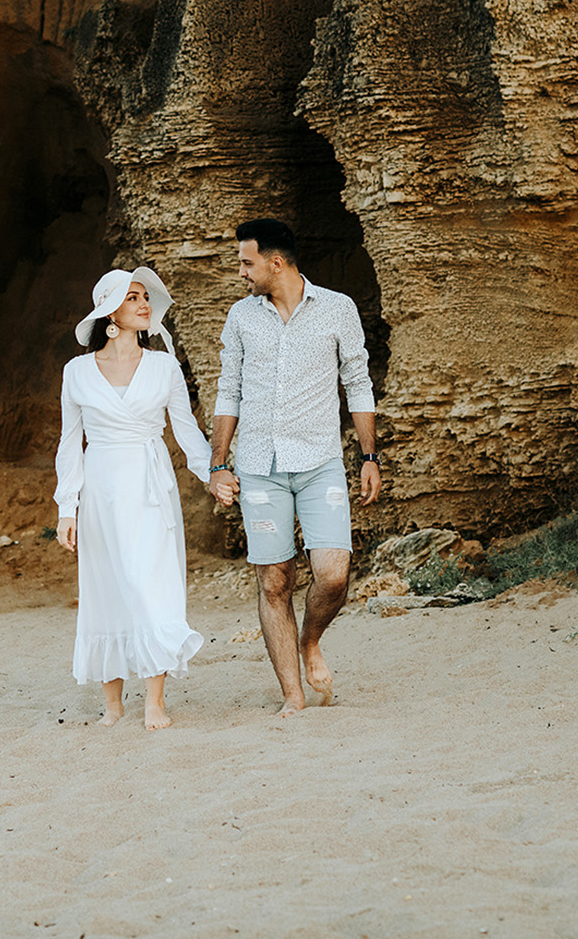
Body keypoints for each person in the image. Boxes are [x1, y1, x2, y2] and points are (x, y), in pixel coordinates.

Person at [207, 219, 380, 717]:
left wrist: (369, 457)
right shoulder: (241, 317)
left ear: (275, 263)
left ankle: (310, 641)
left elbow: (358, 382)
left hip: (319, 463)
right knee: (274, 581)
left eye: (247, 262)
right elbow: (229, 391)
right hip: (259, 467)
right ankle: (292, 694)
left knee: (332, 574)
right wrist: (219, 463)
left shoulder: (338, 309)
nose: (242, 272)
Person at [54, 267, 214, 730]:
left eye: (145, 297)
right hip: (100, 490)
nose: (144, 304)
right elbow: (70, 443)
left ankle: (155, 702)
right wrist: (68, 507)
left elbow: (187, 432)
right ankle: (112, 704)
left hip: (149, 486)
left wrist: (214, 475)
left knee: (152, 586)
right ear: (110, 312)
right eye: (132, 298)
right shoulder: (77, 372)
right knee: (105, 589)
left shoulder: (164, 366)